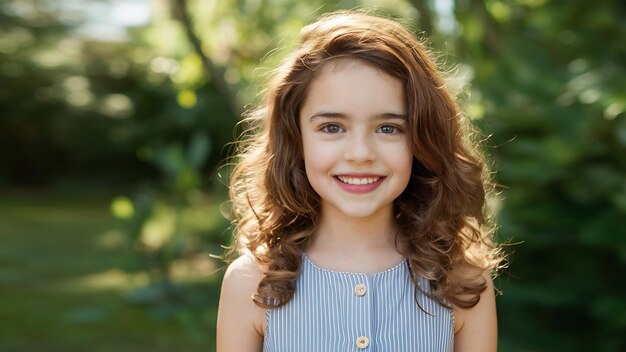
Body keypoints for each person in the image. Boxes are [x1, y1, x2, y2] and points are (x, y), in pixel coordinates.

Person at [217, 9, 504, 352]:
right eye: (332, 127)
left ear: (423, 140)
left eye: (388, 128)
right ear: (296, 139)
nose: (360, 153)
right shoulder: (251, 282)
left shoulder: (463, 283)